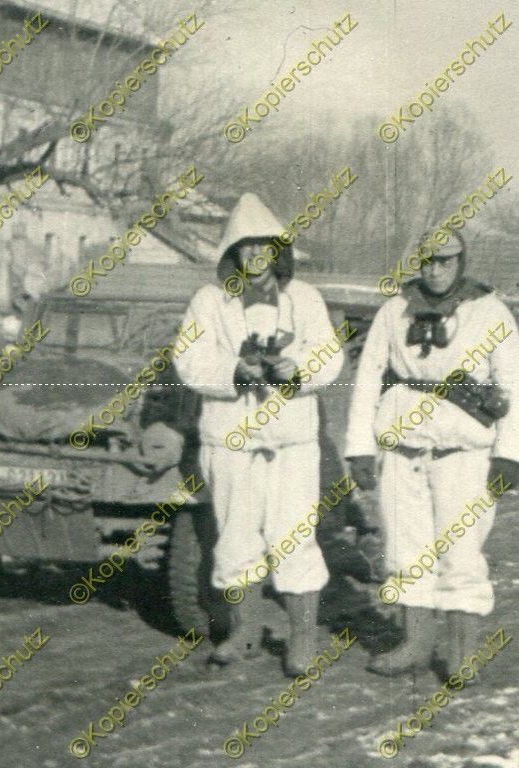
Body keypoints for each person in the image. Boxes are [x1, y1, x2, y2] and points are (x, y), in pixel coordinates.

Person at [344, 230, 519, 676]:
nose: (435, 270)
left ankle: (461, 652)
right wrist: (359, 449)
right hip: (402, 447)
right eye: (428, 261)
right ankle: (415, 644)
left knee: (460, 552)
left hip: (462, 452)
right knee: (404, 549)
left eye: (445, 261)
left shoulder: (489, 312)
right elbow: (368, 378)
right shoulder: (394, 311)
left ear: (460, 262)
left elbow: (514, 384)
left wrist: (510, 455)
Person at [174, 193, 344, 676]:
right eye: (245, 246)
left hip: (291, 442)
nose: (255, 255)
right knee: (234, 537)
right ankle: (244, 630)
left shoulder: (304, 299)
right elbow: (189, 360)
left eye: (263, 245)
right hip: (230, 439)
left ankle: (302, 639)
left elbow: (330, 356)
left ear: (278, 251)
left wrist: (297, 367)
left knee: (293, 536)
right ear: (232, 252)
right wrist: (234, 370)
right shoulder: (209, 302)